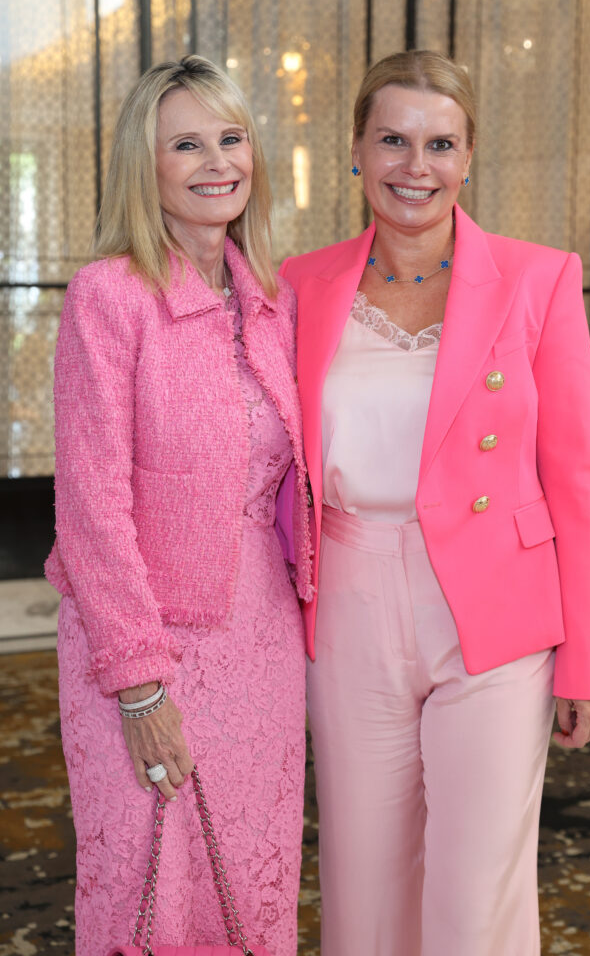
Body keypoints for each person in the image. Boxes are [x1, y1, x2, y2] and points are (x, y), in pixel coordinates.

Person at [281, 49, 590, 956]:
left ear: (469, 158)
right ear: (355, 148)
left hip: (495, 607)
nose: (413, 165)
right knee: (364, 873)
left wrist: (589, 656)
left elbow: (574, 477)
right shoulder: (298, 285)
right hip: (349, 598)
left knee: (476, 887)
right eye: (391, 139)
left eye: (439, 143)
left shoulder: (537, 277)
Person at [46, 54, 312, 956]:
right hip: (144, 643)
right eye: (185, 144)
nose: (216, 161)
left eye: (230, 138)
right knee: (143, 885)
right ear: (145, 164)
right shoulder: (109, 296)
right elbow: (90, 506)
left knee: (253, 870)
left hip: (264, 639)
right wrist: (139, 684)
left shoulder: (273, 300)